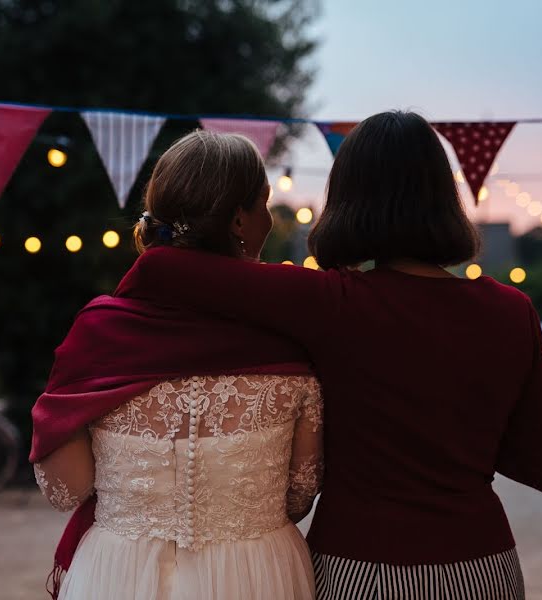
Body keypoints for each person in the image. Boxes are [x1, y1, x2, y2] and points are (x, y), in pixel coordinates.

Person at [118, 111, 542, 599]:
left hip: (358, 566)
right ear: (445, 198)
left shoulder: (330, 303)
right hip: (480, 567)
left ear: (347, 201)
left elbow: (165, 269)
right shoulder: (511, 313)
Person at [30, 131, 323, 600]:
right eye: (264, 203)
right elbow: (299, 494)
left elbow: (67, 489)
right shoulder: (290, 334)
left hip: (120, 576)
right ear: (239, 221)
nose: (270, 219)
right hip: (255, 575)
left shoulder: (98, 334)